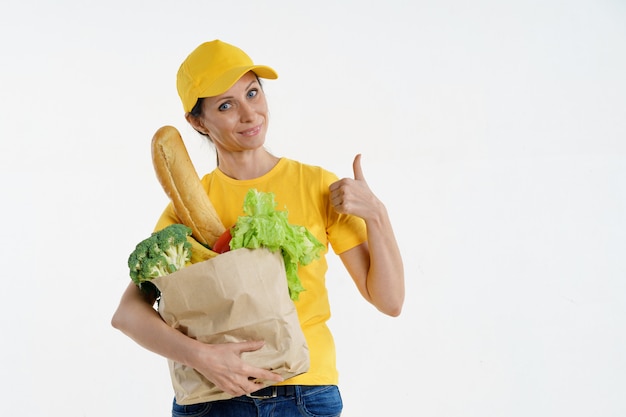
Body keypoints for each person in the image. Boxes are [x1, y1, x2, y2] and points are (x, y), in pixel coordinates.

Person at [111, 39, 404, 417]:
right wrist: (204, 357)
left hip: (305, 394)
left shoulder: (314, 185)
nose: (250, 114)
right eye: (226, 105)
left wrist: (377, 215)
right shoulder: (187, 208)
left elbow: (389, 301)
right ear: (197, 121)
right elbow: (128, 314)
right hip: (214, 398)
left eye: (253, 93)